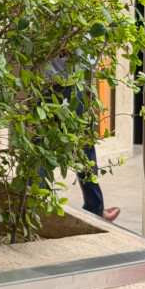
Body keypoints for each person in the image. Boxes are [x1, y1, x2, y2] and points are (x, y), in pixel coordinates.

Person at [39, 52, 120, 222]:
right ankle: (95, 209)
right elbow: (86, 59)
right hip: (71, 89)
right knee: (84, 149)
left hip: (46, 89)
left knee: (40, 147)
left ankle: (33, 203)